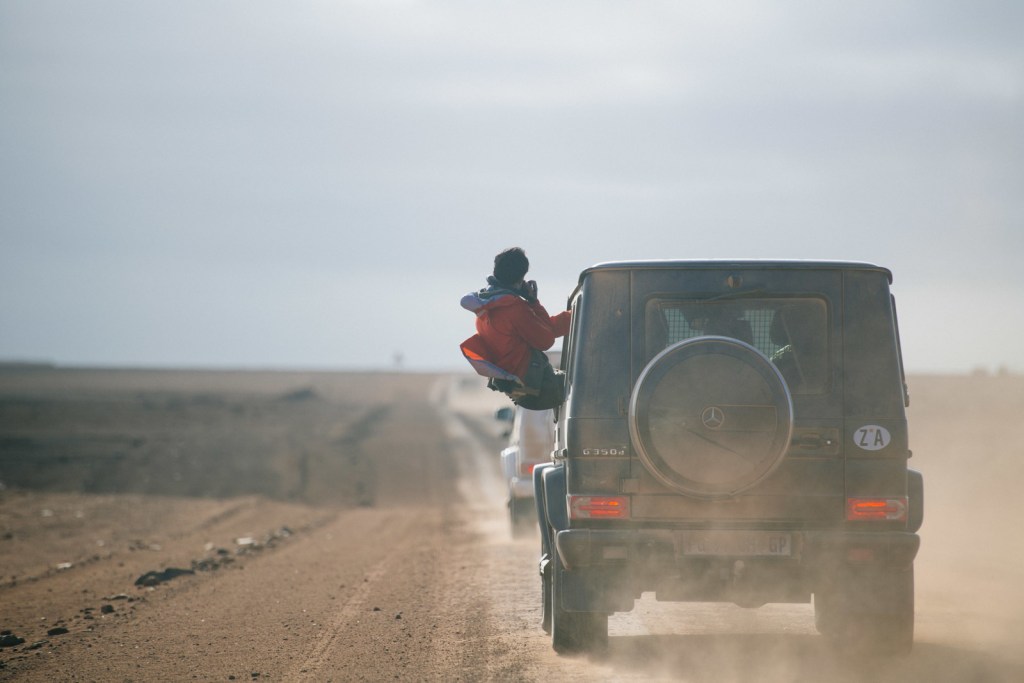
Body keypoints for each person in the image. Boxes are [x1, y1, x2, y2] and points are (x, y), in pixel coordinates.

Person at [460, 247, 571, 409]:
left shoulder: (486, 305)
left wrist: (531, 303)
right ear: (521, 277)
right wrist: (533, 303)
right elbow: (546, 340)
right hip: (538, 386)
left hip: (520, 388)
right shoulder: (514, 308)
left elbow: (545, 329)